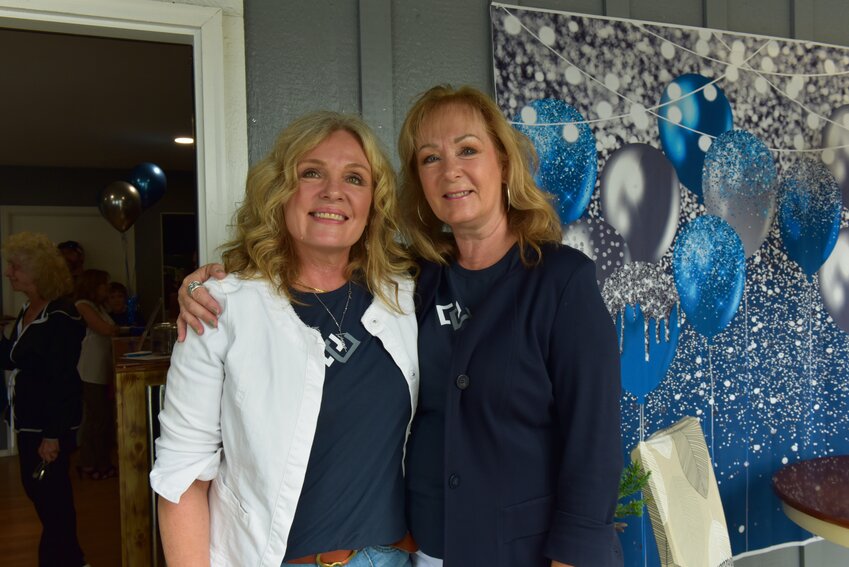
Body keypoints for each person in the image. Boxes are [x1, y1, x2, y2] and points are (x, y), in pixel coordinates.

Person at [176, 86, 623, 567]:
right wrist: (205, 284)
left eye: (468, 150)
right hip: (427, 548)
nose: (450, 170)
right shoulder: (412, 280)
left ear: (505, 163)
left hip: (521, 549)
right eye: (430, 158)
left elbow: (593, 439)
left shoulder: (560, 281)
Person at [149, 111, 419, 567]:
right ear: (280, 191)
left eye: (355, 177)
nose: (333, 191)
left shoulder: (408, 297)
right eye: (311, 172)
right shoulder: (221, 307)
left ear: (374, 202)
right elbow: (183, 474)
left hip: (389, 558)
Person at [1, 231, 89, 567]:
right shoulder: (27, 309)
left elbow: (61, 378)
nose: (9, 273)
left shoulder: (60, 316)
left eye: (15, 267)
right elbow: (13, 358)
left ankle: (60, 561)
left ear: (37, 272)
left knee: (52, 500)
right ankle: (75, 559)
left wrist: (53, 434)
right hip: (28, 421)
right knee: (41, 495)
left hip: (49, 424)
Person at [75, 269, 119, 480]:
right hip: (90, 371)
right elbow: (105, 329)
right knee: (96, 419)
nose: (106, 290)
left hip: (101, 369)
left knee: (102, 419)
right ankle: (89, 463)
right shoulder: (83, 305)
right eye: (103, 285)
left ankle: (100, 462)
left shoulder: (98, 306)